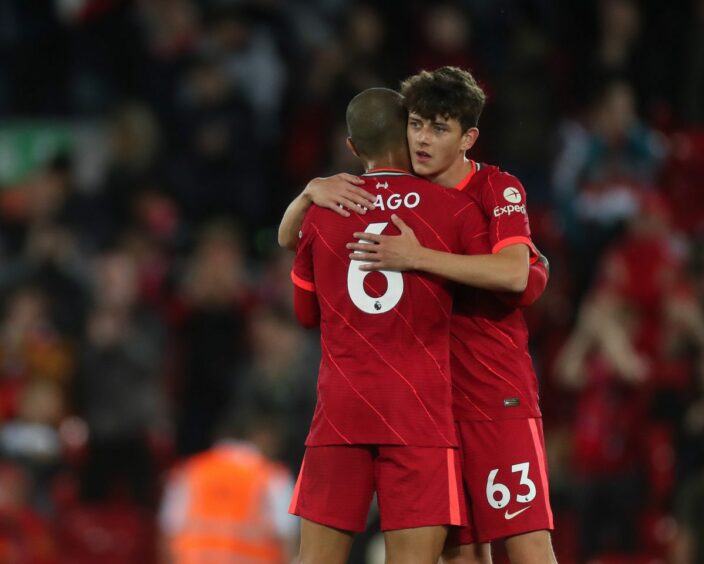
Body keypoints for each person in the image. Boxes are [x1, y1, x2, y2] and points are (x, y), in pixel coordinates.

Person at [278, 67, 555, 564]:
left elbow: (519, 276)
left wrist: (415, 257)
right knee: (461, 553)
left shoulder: (495, 188)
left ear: (468, 137)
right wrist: (308, 193)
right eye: (417, 125)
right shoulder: (431, 206)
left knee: (527, 542)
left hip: (492, 393)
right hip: (429, 404)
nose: (424, 140)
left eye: (439, 129)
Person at [158, 413, 297, 564]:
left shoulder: (188, 472)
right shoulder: (272, 477)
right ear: (257, 436)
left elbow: (167, 535)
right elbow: (287, 540)